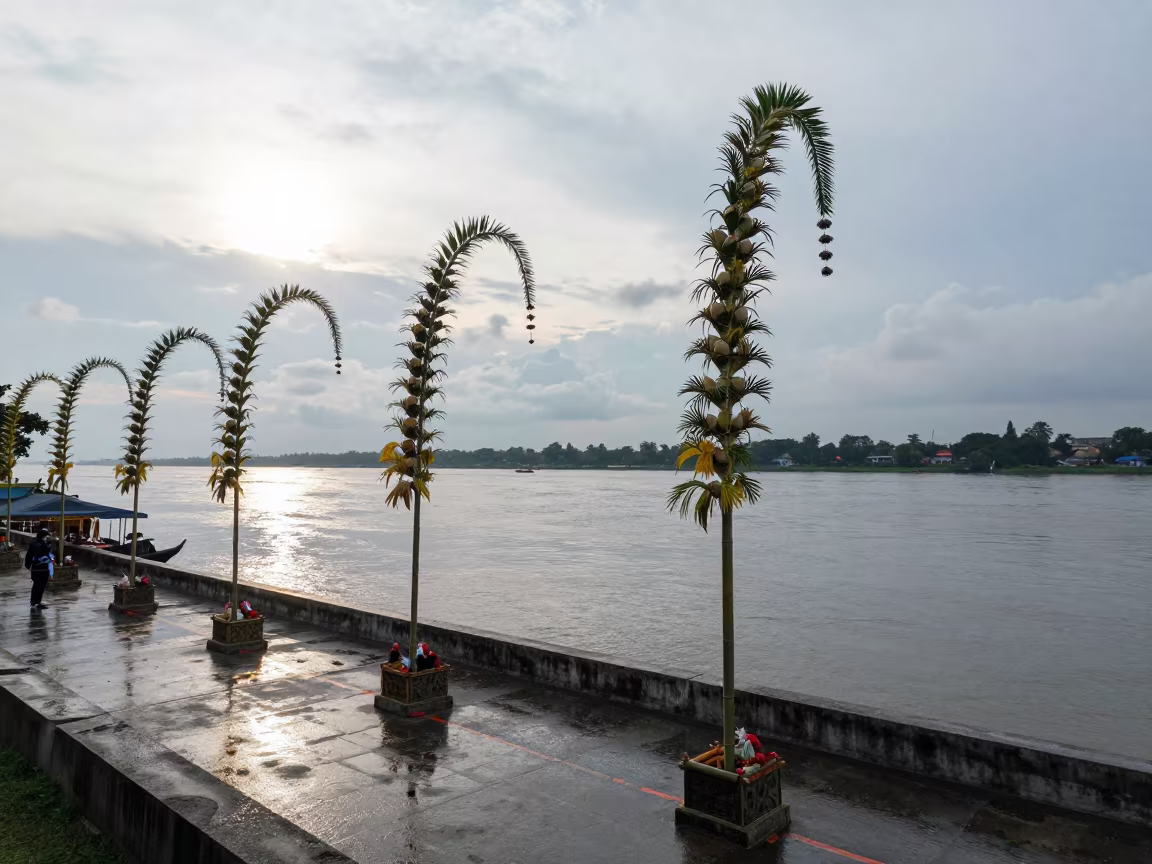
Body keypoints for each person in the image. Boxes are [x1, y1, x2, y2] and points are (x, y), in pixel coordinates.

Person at [24, 527, 54, 612]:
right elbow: (40, 551)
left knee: (42, 585)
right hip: (37, 568)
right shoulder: (35, 543)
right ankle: (33, 602)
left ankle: (38, 601)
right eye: (45, 536)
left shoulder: (45, 542)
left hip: (44, 568)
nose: (46, 537)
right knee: (37, 585)